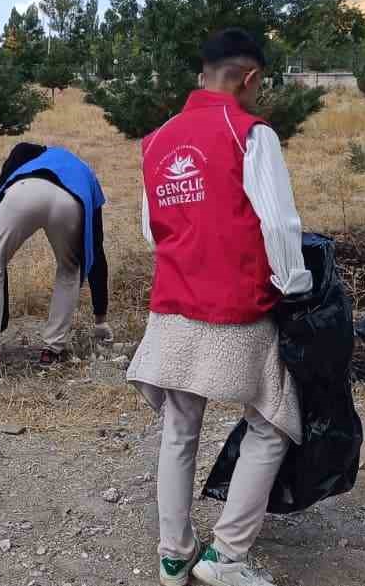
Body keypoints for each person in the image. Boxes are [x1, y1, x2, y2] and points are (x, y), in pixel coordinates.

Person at [128, 29, 313, 586]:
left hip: (174, 306)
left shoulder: (157, 140)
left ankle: (173, 556)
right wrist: (296, 285)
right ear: (250, 77)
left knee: (180, 428)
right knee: (273, 422)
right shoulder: (251, 134)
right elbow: (280, 223)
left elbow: (149, 229)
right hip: (236, 307)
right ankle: (226, 558)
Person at [0, 143, 111, 379]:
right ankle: (51, 351)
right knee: (69, 271)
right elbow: (96, 250)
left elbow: (18, 149)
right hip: (70, 202)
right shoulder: (88, 176)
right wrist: (100, 317)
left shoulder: (38, 153)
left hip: (24, 191)